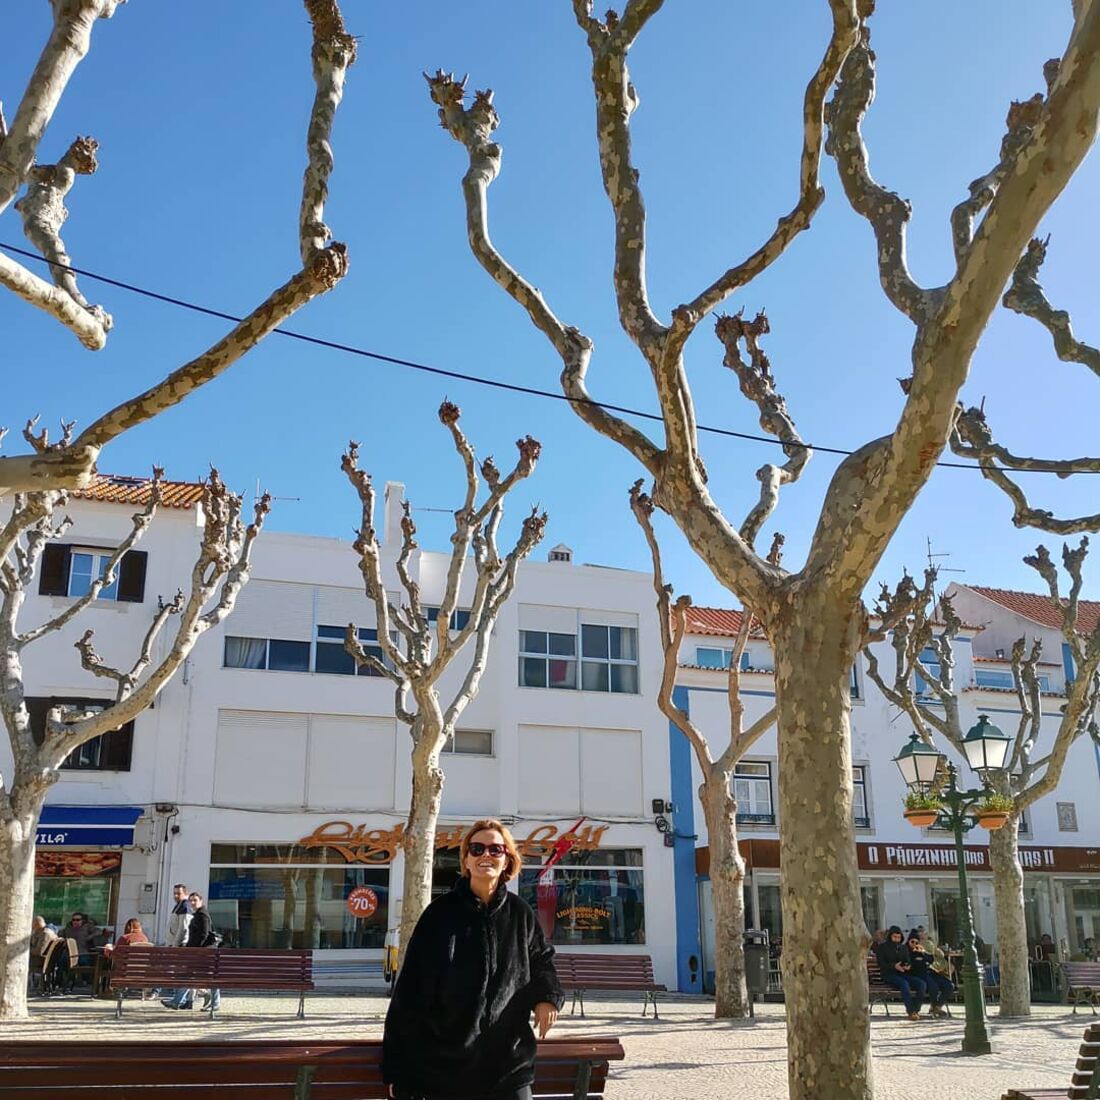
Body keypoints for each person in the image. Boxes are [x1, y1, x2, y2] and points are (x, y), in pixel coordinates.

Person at [383, 818, 565, 1100]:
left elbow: (541, 961)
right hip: (448, 1068)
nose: (486, 856)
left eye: (496, 850)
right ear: (466, 860)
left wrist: (547, 996)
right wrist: (399, 1069)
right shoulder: (439, 915)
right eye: (477, 849)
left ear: (507, 860)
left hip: (509, 1066)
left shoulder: (520, 914)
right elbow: (410, 994)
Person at [162, 892, 220, 1011]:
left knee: (208, 978)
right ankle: (177, 1001)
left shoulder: (203, 915)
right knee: (190, 976)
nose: (192, 903)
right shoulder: (198, 914)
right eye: (191, 900)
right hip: (200, 953)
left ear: (201, 901)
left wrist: (195, 950)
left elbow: (203, 935)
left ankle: (214, 1003)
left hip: (204, 954)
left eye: (195, 900)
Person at [872, 925, 926, 1021]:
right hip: (889, 975)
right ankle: (910, 1011)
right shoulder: (882, 948)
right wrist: (894, 966)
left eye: (899, 937)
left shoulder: (903, 948)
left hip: (902, 974)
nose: (897, 939)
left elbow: (907, 960)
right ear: (890, 936)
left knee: (921, 984)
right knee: (904, 984)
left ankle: (915, 1010)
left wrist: (907, 966)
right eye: (895, 937)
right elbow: (882, 964)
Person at [907, 931, 953, 1017]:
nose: (914, 944)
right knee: (933, 986)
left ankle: (937, 1006)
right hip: (920, 975)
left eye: (916, 942)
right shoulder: (907, 951)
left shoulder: (922, 949)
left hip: (931, 972)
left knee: (949, 985)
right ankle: (934, 1006)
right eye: (912, 942)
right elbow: (910, 965)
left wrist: (923, 953)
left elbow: (931, 959)